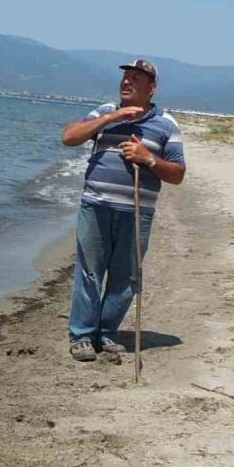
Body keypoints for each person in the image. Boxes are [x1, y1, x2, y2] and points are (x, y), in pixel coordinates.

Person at [61, 59, 186, 362]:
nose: (127, 82)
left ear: (152, 87)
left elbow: (178, 174)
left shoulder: (166, 124)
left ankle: (106, 334)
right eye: (126, 77)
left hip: (136, 212)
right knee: (90, 272)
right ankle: (82, 336)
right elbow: (69, 137)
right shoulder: (104, 112)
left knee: (125, 277)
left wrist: (149, 159)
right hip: (96, 204)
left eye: (136, 79)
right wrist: (111, 118)